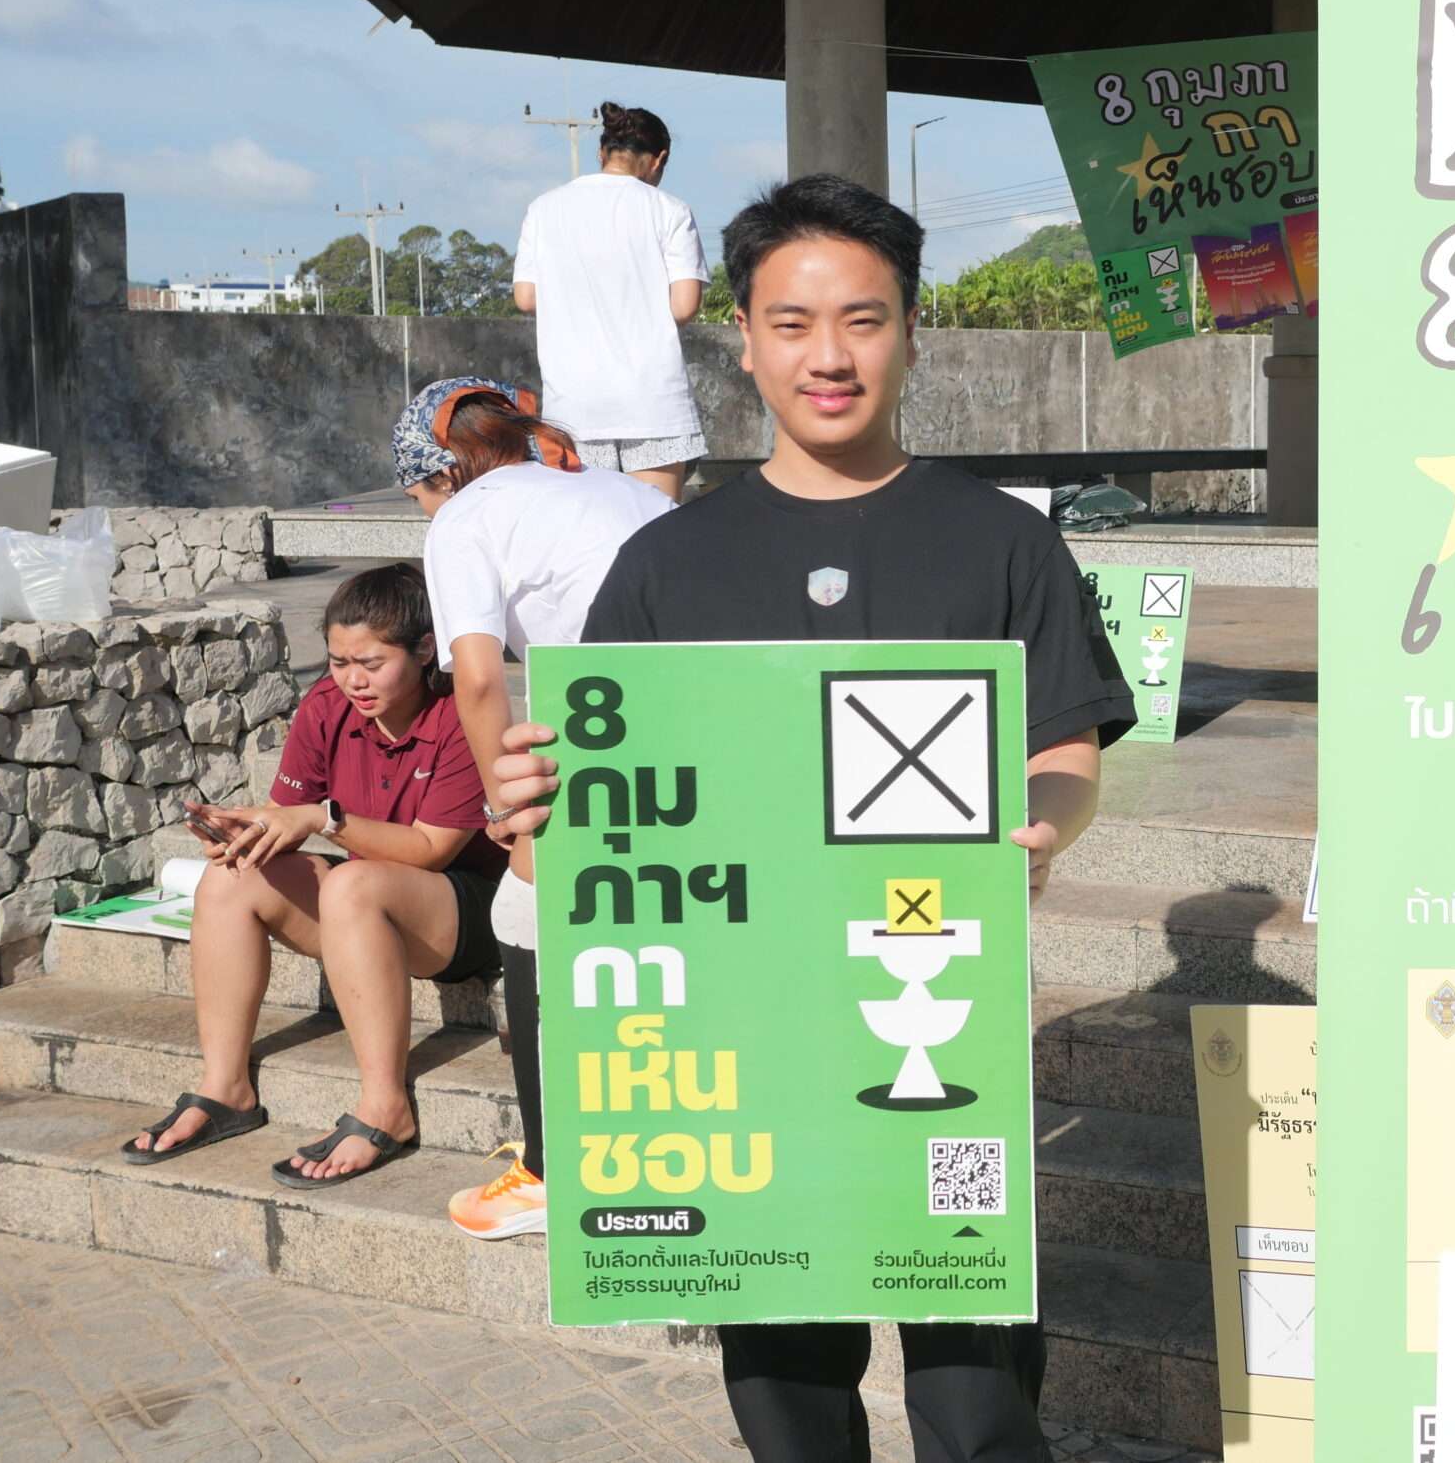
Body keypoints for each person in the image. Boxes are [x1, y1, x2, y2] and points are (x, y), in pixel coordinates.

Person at [488, 175, 1135, 1463]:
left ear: (910, 331)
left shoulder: (1001, 543)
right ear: (742, 336)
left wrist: (1043, 824)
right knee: (782, 1374)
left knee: (976, 1379)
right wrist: (532, 804)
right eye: (791, 322)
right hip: (743, 1030)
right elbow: (593, 806)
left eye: (862, 319)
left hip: (936, 1003)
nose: (827, 356)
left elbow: (1063, 743)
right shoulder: (667, 562)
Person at [388, 375, 674, 1239]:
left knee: (523, 906)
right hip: (701, 716)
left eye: (417, 494)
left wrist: (508, 810)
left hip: (615, 724)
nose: (423, 511)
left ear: (443, 471)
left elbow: (478, 679)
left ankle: (552, 1171)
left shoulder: (466, 517)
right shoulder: (622, 488)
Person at [121, 564, 506, 1186]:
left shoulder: (458, 714)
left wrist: (324, 819)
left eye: (372, 663)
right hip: (367, 904)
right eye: (338, 661)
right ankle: (226, 1088)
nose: (353, 680)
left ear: (424, 650)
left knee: (354, 882)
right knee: (231, 877)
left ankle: (386, 1105)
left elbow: (430, 850)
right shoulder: (326, 705)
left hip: (464, 913)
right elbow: (288, 819)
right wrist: (243, 832)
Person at [512, 101, 710, 500]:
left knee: (587, 524)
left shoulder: (544, 209)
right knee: (654, 525)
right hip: (651, 400)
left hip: (574, 403)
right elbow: (684, 306)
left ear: (601, 152)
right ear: (659, 159)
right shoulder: (670, 210)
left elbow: (526, 298)